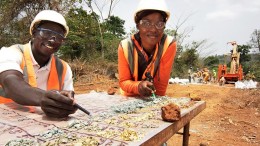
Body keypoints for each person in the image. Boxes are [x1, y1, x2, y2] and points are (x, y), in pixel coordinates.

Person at [0, 10, 77, 118]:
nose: (52, 39)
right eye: (46, 32)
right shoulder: (10, 53)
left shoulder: (64, 68)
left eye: (59, 36)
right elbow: (10, 81)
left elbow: (68, 96)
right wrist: (42, 98)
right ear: (34, 32)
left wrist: (67, 104)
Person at [118, 0, 177, 97]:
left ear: (164, 26)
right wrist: (138, 86)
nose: (153, 29)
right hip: (129, 97)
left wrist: (155, 106)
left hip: (153, 96)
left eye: (159, 23)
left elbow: (161, 85)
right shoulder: (125, 46)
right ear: (138, 25)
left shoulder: (169, 44)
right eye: (146, 23)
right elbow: (124, 81)